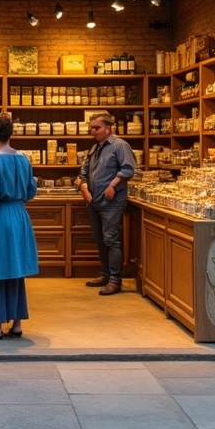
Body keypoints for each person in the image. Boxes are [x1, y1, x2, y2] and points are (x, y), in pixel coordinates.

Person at [0, 112, 39, 339]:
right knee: (15, 269)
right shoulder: (23, 158)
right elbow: (31, 190)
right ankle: (17, 322)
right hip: (19, 214)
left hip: (0, 216)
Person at [76, 113, 136, 296]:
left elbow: (128, 169)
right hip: (93, 200)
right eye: (91, 128)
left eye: (97, 128)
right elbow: (83, 172)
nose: (92, 131)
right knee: (100, 239)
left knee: (111, 240)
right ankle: (105, 274)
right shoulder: (95, 148)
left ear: (108, 128)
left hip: (112, 201)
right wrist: (85, 189)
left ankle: (115, 281)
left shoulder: (120, 146)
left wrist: (112, 186)